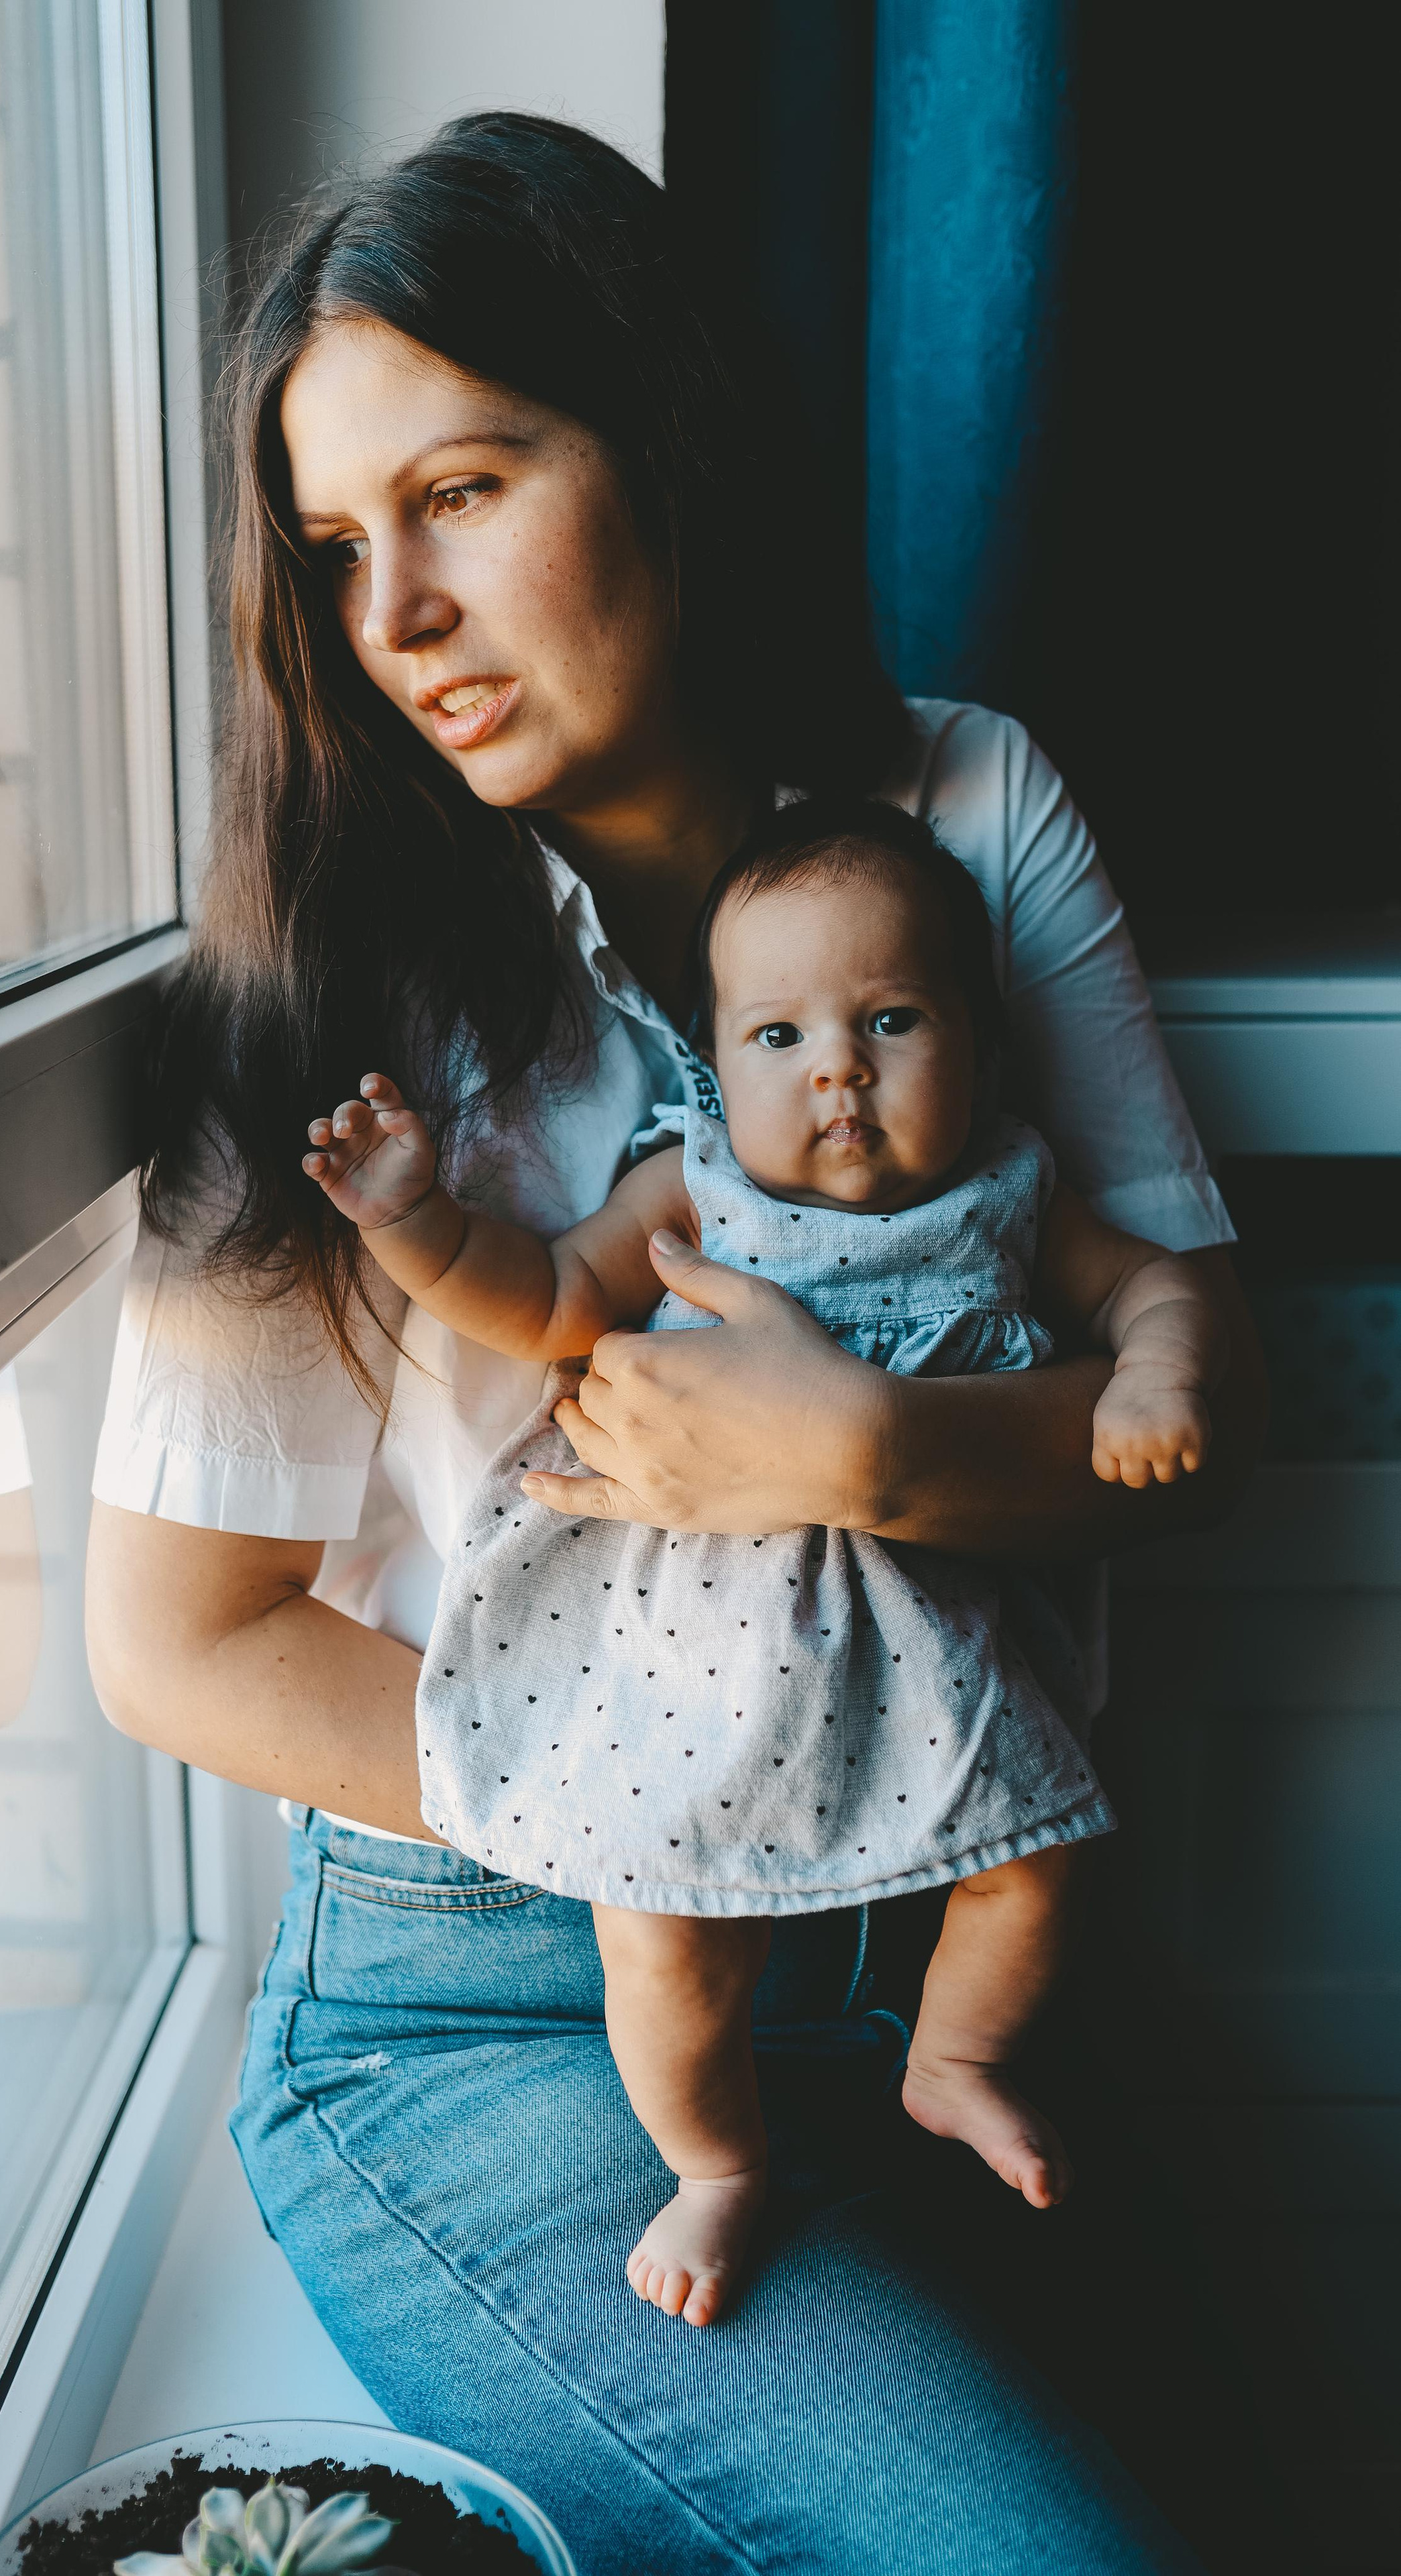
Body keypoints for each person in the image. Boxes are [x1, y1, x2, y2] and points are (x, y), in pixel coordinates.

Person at [87, 113, 1272, 2576]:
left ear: (665, 433)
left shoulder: (967, 807)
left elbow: (1192, 1393)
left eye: (465, 488)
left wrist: (880, 1454)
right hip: (489, 2014)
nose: (391, 610)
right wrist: (669, 1799)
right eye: (329, 548)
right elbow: (176, 1650)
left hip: (961, 1932)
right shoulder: (334, 994)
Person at [300, 796, 1228, 2329]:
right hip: (686, 1660)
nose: (837, 1071)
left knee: (1041, 1861)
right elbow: (540, 1300)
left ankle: (955, 2059)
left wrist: (1152, 1378)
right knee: (657, 1941)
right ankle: (713, 2164)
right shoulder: (691, 1192)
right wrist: (413, 1223)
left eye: (889, 1020)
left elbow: (1153, 1290)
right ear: (709, 1063)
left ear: (979, 1046)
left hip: (923, 1653)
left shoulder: (1007, 1191)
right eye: (779, 1035)